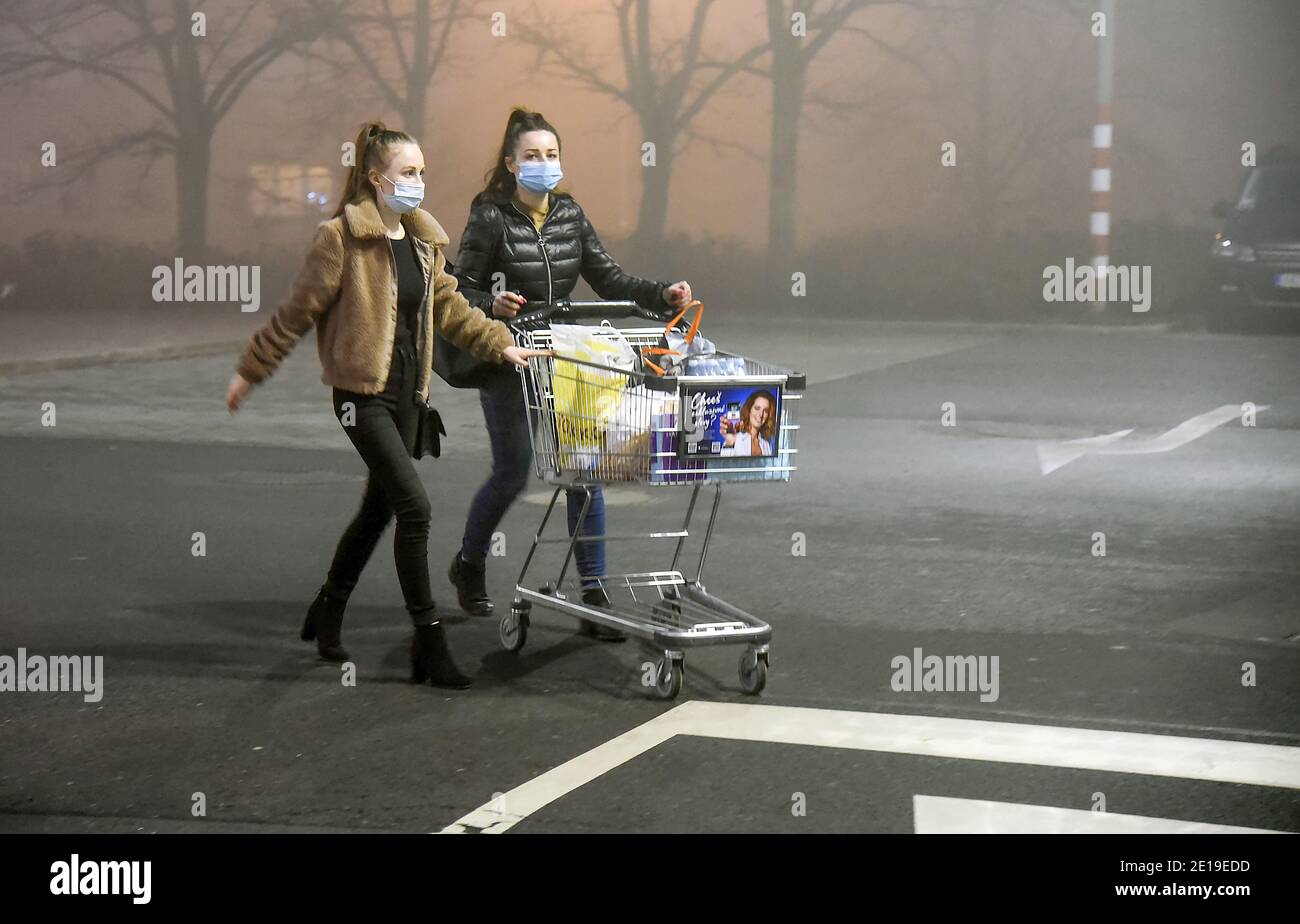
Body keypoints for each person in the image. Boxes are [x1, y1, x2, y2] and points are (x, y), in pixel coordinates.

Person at [224, 121, 549, 689]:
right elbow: (295, 313)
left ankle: (328, 608)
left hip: (407, 399)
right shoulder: (341, 240)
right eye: (407, 173)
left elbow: (450, 309)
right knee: (415, 509)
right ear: (376, 179)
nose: (418, 182)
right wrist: (252, 371)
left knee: (378, 510)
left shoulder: (424, 241)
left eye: (422, 172)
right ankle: (429, 642)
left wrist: (501, 345)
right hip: (359, 397)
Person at [447, 107, 694, 641]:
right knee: (512, 471)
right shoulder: (490, 215)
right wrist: (491, 303)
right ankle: (468, 562)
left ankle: (593, 596)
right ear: (511, 164)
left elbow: (609, 276)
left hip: (567, 358)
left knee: (586, 469)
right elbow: (456, 288)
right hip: (510, 357)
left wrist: (660, 294)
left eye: (551, 155)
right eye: (532, 156)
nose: (543, 164)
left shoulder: (569, 214)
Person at [720, 391, 777, 457]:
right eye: (757, 408)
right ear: (749, 410)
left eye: (766, 411)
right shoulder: (736, 438)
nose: (761, 414)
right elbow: (723, 464)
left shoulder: (766, 444)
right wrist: (729, 443)